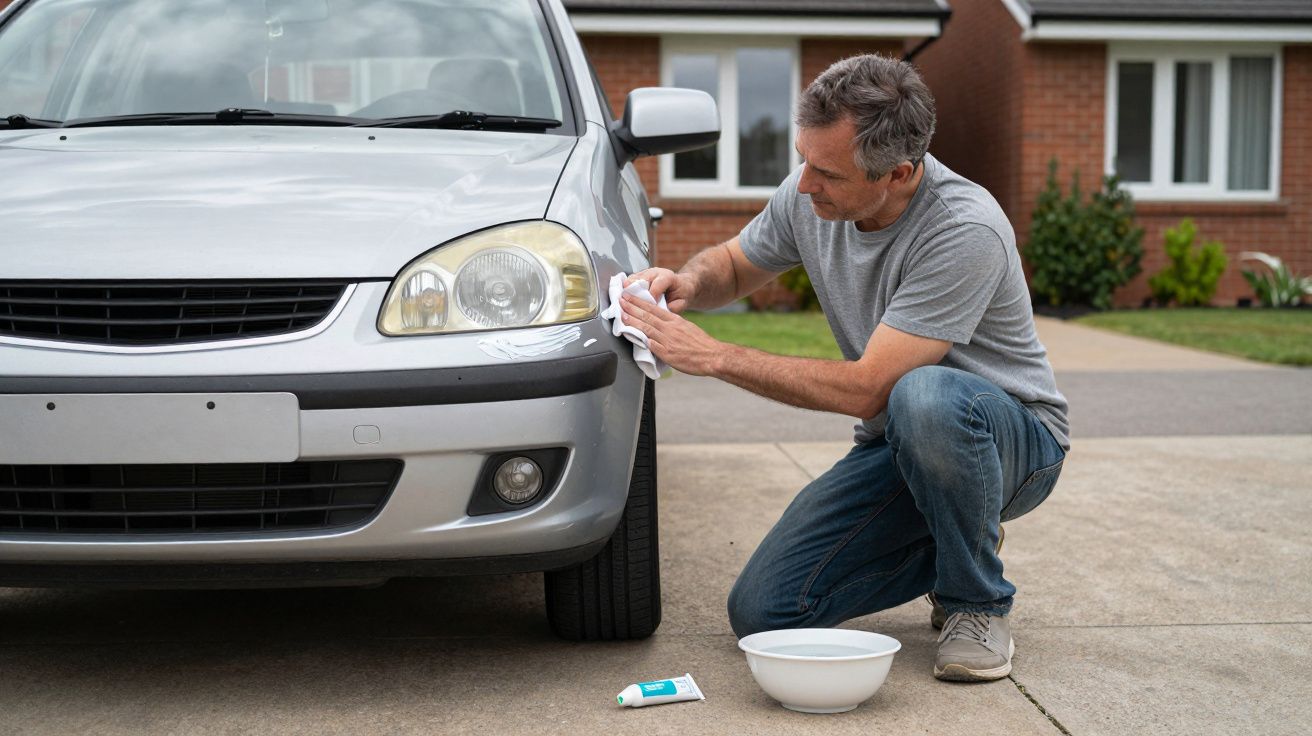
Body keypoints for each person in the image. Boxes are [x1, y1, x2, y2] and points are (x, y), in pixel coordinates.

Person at [617, 54, 1070, 682]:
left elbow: (871, 390)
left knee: (922, 394)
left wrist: (714, 356)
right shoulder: (812, 191)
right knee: (764, 612)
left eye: (826, 172)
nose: (805, 184)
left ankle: (977, 601)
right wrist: (687, 282)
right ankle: (955, 535)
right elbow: (737, 264)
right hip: (900, 441)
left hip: (1012, 442)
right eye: (804, 159)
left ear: (900, 172)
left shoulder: (964, 229)